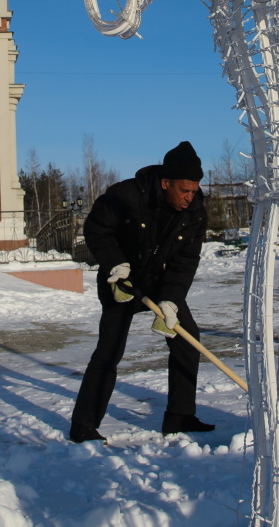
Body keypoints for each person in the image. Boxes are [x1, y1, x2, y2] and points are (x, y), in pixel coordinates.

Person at [70, 141, 214, 442]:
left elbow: (186, 259)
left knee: (187, 340)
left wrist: (172, 299)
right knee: (110, 350)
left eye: (194, 190)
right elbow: (96, 228)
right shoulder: (126, 195)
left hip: (160, 283)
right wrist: (115, 264)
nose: (190, 197)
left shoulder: (195, 210)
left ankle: (180, 416)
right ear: (166, 183)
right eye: (184, 190)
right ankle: (84, 425)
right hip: (121, 281)